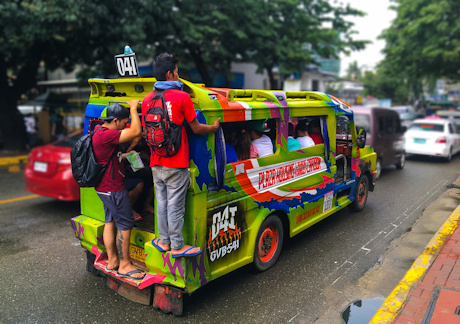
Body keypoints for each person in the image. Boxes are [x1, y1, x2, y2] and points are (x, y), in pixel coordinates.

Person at [142, 53, 220, 257]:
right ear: (169, 74)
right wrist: (212, 128)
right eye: (176, 72)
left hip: (155, 162)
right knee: (175, 206)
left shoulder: (147, 99)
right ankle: (177, 246)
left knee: (161, 203)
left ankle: (164, 241)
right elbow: (196, 129)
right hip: (176, 164)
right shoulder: (182, 97)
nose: (178, 76)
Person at [92, 100, 145, 280]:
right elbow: (136, 131)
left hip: (104, 188)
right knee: (125, 223)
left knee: (110, 221)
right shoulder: (107, 135)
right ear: (115, 121)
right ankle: (124, 265)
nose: (125, 125)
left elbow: (109, 156)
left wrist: (124, 155)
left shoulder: (98, 131)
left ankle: (113, 260)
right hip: (113, 188)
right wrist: (133, 108)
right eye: (124, 122)